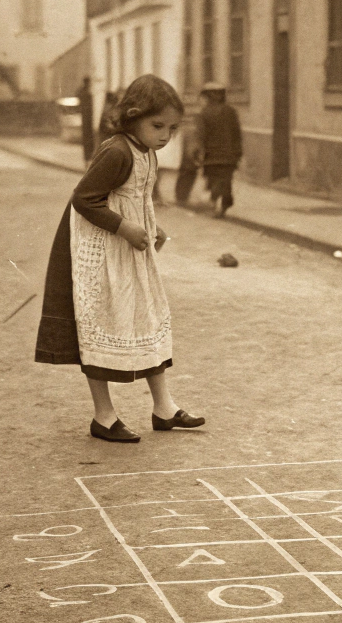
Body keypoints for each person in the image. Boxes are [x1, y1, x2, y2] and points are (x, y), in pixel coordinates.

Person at [35, 74, 205, 443]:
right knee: (100, 324)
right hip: (101, 253)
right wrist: (125, 228)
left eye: (172, 129)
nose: (165, 135)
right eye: (157, 125)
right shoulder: (116, 151)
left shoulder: (146, 152)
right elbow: (84, 199)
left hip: (129, 254)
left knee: (146, 317)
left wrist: (151, 226)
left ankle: (164, 407)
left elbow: (137, 198)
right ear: (132, 116)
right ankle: (104, 416)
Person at [199, 81, 242, 218]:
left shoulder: (206, 112)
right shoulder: (229, 111)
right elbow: (237, 134)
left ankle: (216, 203)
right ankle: (221, 204)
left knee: (217, 180)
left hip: (215, 155)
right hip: (224, 155)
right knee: (223, 180)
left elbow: (201, 135)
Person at [76, 76, 96, 163]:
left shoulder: (82, 91)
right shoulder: (85, 92)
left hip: (88, 117)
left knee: (88, 138)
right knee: (88, 138)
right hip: (87, 117)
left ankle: (88, 157)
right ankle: (87, 157)